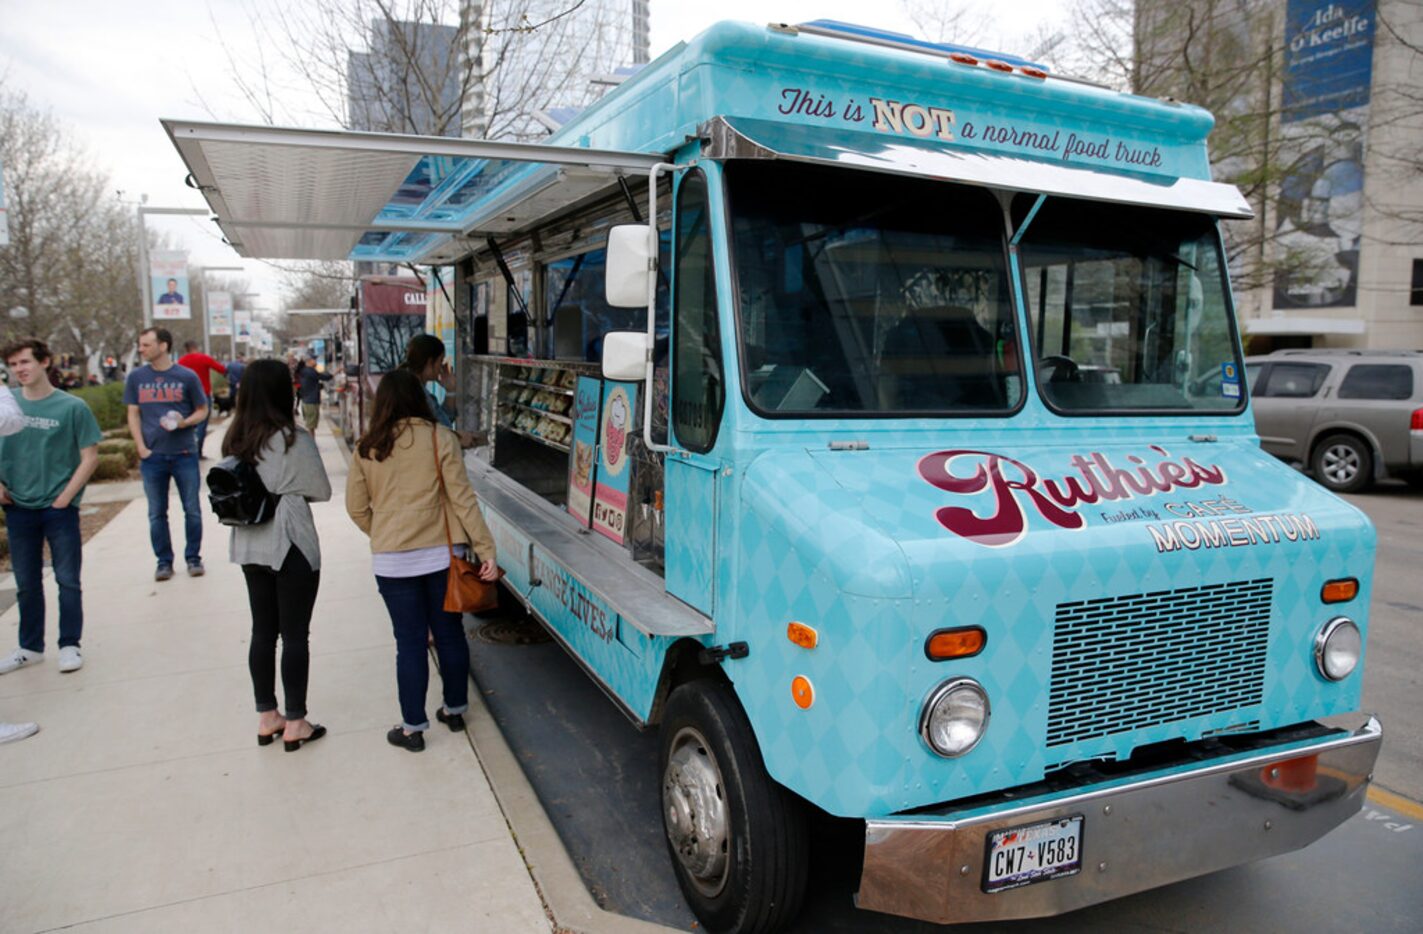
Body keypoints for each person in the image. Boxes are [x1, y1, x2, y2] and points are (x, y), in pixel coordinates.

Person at [346, 369, 497, 753]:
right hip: (442, 556)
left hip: (392, 563)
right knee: (449, 634)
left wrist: (382, 533)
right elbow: (463, 499)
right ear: (419, 397)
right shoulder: (439, 438)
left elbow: (356, 508)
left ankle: (412, 728)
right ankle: (455, 708)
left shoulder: (367, 446)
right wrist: (486, 549)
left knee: (409, 643)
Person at [224, 359, 332, 752]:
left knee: (263, 631)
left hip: (251, 545)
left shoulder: (235, 439)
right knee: (295, 634)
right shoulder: (293, 439)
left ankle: (267, 715)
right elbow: (321, 490)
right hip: (290, 543)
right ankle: (297, 721)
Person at [0, 339, 102, 676]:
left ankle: (69, 644)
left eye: (25, 362)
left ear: (45, 362)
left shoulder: (72, 407)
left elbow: (90, 456)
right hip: (18, 506)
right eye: (13, 365)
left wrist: (65, 498)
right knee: (27, 581)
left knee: (67, 578)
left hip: (58, 508)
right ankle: (30, 647)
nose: (20, 370)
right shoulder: (7, 404)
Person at [125, 327, 209, 580]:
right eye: (140, 345)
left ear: (163, 346)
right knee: (156, 512)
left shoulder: (186, 376)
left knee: (192, 509)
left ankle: (193, 558)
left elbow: (202, 409)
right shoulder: (136, 378)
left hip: (184, 453)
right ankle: (164, 561)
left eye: (146, 345)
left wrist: (186, 422)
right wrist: (141, 447)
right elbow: (133, 413)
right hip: (153, 457)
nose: (142, 349)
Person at [401, 334, 479, 448]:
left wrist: (450, 391)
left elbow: (442, 419)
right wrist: (458, 437)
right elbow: (441, 431)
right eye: (440, 361)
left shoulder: (414, 387)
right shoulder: (416, 394)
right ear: (430, 362)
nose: (441, 367)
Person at [176, 340, 228, 459]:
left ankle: (187, 449)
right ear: (196, 347)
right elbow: (222, 369)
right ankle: (197, 452)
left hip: (186, 396)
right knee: (201, 424)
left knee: (187, 422)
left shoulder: (181, 361)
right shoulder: (204, 358)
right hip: (203, 394)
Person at [297, 354, 333, 433]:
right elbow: (326, 377)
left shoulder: (305, 371)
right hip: (311, 400)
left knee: (311, 425)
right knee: (311, 425)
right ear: (309, 361)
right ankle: (312, 443)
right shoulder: (310, 371)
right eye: (314, 360)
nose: (316, 361)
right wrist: (337, 371)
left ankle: (312, 442)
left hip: (308, 400)